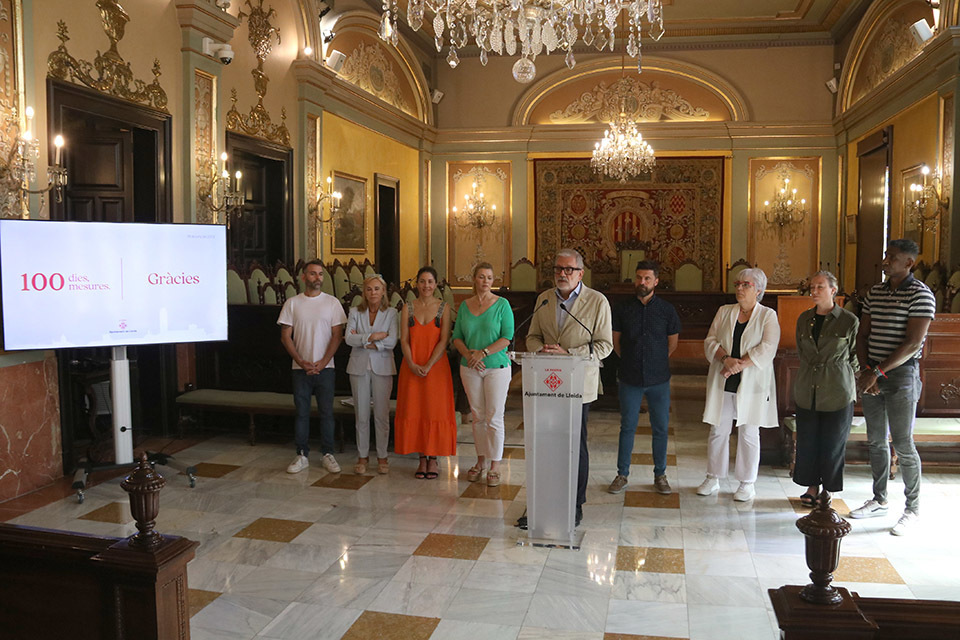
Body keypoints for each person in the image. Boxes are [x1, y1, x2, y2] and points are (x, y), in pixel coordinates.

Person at [850, 239, 935, 536]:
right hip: (873, 373)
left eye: (892, 257)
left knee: (903, 443)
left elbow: (912, 344)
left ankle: (912, 509)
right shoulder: (876, 292)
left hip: (901, 377)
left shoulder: (921, 295)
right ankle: (879, 499)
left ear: (909, 263)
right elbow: (863, 334)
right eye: (886, 256)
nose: (885, 261)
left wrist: (878, 371)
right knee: (875, 441)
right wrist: (865, 370)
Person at [526, 248, 613, 526]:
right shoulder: (543, 300)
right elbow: (532, 337)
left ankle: (575, 503)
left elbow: (604, 345)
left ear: (580, 273)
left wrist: (569, 354)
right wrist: (542, 351)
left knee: (575, 445)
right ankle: (546, 499)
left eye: (568, 270)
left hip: (578, 385)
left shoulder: (597, 302)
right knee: (547, 443)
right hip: (546, 385)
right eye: (557, 269)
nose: (562, 274)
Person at [699, 267, 779, 501]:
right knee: (718, 429)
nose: (740, 289)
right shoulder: (725, 311)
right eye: (738, 284)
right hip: (723, 377)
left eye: (746, 285)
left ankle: (747, 483)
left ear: (759, 290)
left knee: (748, 433)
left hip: (751, 381)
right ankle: (713, 477)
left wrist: (739, 365)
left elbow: (767, 347)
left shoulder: (767, 315)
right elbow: (711, 340)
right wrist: (726, 359)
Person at [609, 260, 681, 495]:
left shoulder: (667, 310)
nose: (642, 282)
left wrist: (655, 360)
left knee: (660, 428)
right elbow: (616, 341)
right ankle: (622, 474)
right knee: (627, 427)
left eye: (647, 278)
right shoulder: (622, 309)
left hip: (659, 378)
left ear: (656, 281)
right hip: (629, 377)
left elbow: (672, 343)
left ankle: (660, 474)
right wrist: (630, 360)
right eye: (639, 277)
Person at [792, 271, 859, 507]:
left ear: (833, 290)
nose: (814, 291)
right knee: (809, 439)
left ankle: (828, 489)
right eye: (812, 287)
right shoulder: (804, 318)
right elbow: (802, 350)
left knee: (832, 442)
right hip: (807, 385)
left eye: (820, 286)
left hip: (837, 387)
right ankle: (811, 485)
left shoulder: (848, 320)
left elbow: (853, 355)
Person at [278, 259, 347, 474]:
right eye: (313, 274)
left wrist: (323, 362)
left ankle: (328, 453)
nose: (317, 278)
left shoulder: (332, 303)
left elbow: (337, 336)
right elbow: (285, 336)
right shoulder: (292, 303)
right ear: (303, 277)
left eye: (320, 274)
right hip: (301, 369)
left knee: (327, 412)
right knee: (302, 413)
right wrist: (301, 361)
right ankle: (301, 454)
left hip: (326, 368)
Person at [452, 262, 515, 487]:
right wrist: (469, 354)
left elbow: (507, 337)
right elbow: (457, 336)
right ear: (474, 279)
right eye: (481, 277)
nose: (485, 281)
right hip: (470, 367)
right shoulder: (465, 305)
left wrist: (483, 352)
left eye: (489, 277)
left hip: (496, 366)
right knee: (477, 416)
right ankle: (480, 461)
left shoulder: (502, 305)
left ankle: (495, 465)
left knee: (494, 416)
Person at [395, 266, 458, 479]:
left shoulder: (444, 308)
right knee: (416, 410)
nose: (426, 286)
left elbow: (444, 340)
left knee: (434, 411)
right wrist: (411, 363)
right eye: (422, 281)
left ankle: (433, 458)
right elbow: (403, 339)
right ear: (417, 284)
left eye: (430, 281)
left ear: (436, 284)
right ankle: (421, 458)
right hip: (411, 366)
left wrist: (429, 364)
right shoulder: (408, 308)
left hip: (436, 368)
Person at [345, 275, 398, 475]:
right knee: (361, 414)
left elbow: (392, 341)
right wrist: (373, 337)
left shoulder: (392, 313)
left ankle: (382, 456)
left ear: (383, 291)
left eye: (377, 289)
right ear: (364, 292)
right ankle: (362, 456)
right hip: (358, 367)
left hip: (383, 367)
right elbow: (349, 338)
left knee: (382, 415)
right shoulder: (355, 312)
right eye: (369, 289)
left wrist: (365, 342)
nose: (373, 293)